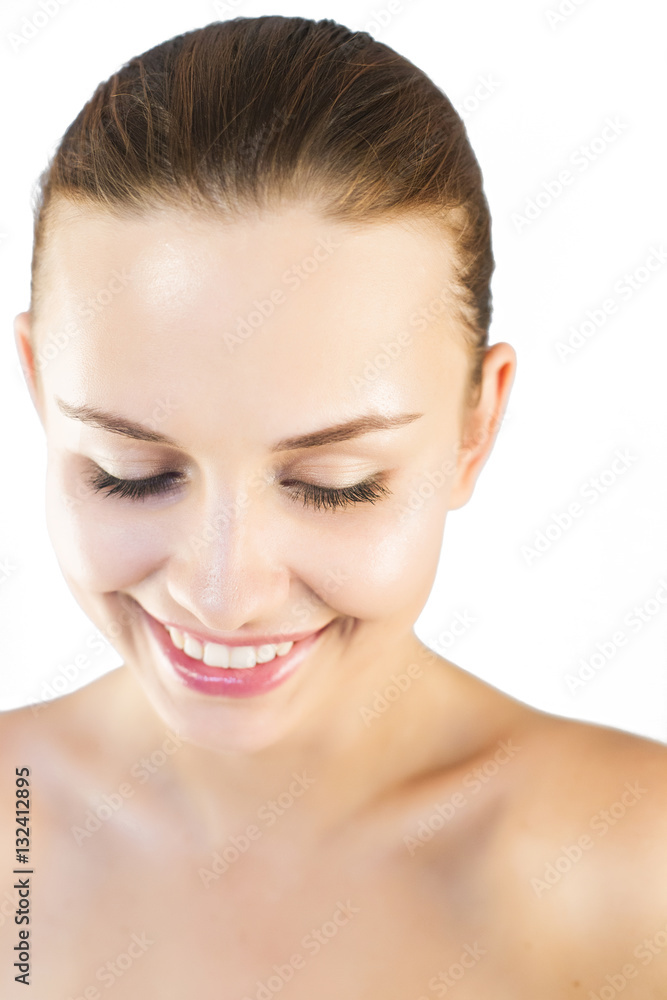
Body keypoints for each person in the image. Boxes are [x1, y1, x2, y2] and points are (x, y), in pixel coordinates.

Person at [3, 14, 666, 998]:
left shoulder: (635, 868)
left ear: (473, 427)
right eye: (129, 469)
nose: (222, 593)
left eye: (335, 485)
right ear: (36, 391)